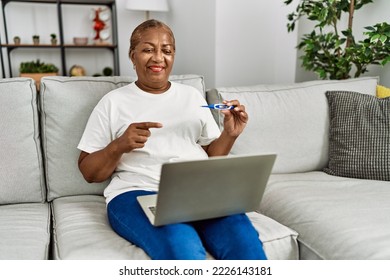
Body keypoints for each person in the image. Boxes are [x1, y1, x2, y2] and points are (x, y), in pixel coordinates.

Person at [77, 19, 267, 260]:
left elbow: (211, 156)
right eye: (148, 49)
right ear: (132, 55)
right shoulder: (112, 102)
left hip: (199, 191)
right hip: (137, 192)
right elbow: (89, 172)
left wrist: (230, 133)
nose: (158, 58)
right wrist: (119, 146)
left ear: (173, 56)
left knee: (245, 244)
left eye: (166, 50)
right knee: (180, 247)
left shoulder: (191, 96)